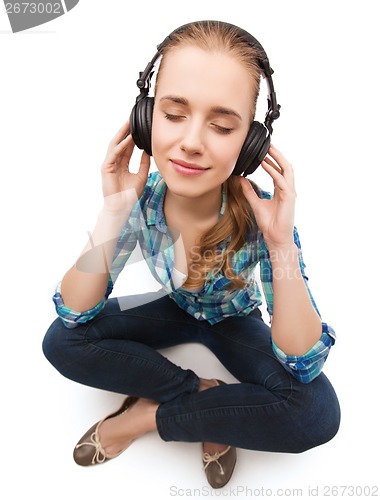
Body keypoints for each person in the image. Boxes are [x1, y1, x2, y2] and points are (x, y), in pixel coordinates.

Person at [42, 20, 340, 489]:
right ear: (146, 117)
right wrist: (114, 211)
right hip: (174, 309)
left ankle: (148, 417)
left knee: (317, 413)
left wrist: (280, 243)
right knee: (61, 340)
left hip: (234, 323)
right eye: (174, 114)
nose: (193, 141)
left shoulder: (265, 217)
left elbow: (302, 361)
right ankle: (204, 397)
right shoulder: (140, 195)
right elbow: (76, 312)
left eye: (222, 126)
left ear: (250, 144)